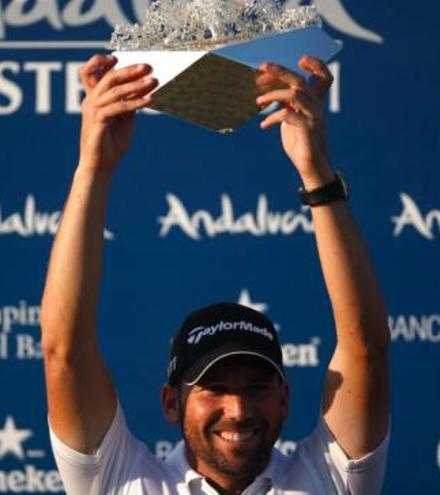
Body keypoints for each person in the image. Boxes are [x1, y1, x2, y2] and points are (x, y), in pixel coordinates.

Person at [40, 53, 390, 495]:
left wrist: (316, 172)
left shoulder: (328, 477)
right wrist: (93, 168)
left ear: (284, 399)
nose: (238, 409)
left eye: (257, 387)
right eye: (215, 388)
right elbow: (64, 353)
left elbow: (366, 348)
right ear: (172, 403)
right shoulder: (122, 481)